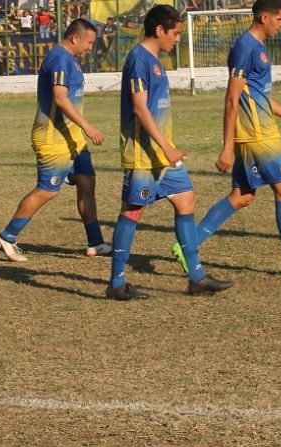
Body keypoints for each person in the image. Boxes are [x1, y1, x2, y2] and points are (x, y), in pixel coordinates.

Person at [172, 0, 281, 278]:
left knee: (242, 196)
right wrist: (227, 147)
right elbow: (232, 99)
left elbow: (261, 95)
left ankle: (189, 246)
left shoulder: (256, 47)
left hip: (259, 130)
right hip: (258, 135)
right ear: (264, 17)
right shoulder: (245, 48)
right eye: (280, 20)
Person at [105, 5, 232, 300]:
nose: (177, 39)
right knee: (132, 211)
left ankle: (197, 277)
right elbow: (139, 108)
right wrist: (166, 146)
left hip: (164, 156)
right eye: (175, 33)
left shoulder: (155, 61)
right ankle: (116, 283)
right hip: (144, 155)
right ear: (159, 30)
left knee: (186, 201)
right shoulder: (139, 59)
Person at [0, 19, 111, 262]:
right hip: (53, 138)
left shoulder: (72, 60)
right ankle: (7, 236)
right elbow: (60, 97)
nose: (91, 47)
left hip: (73, 139)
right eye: (89, 42)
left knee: (87, 181)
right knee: (48, 190)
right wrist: (88, 126)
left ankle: (95, 242)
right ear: (75, 38)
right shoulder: (59, 58)